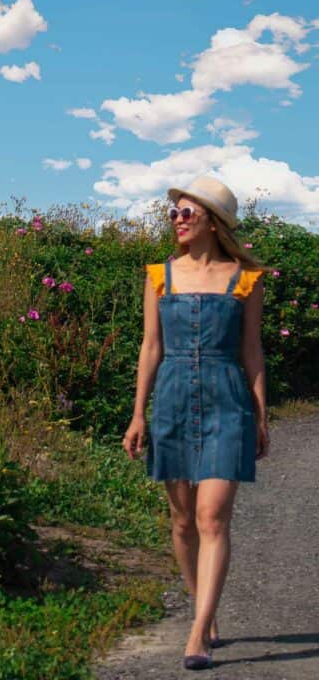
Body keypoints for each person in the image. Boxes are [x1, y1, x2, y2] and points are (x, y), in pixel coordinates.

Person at [122, 176, 269, 671]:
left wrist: (261, 414)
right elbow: (151, 347)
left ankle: (196, 631)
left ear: (214, 220)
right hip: (172, 399)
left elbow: (252, 350)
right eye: (175, 213)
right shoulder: (160, 274)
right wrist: (138, 413)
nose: (179, 219)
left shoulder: (245, 278)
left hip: (228, 399)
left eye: (189, 212)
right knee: (183, 521)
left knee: (211, 518)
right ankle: (205, 612)